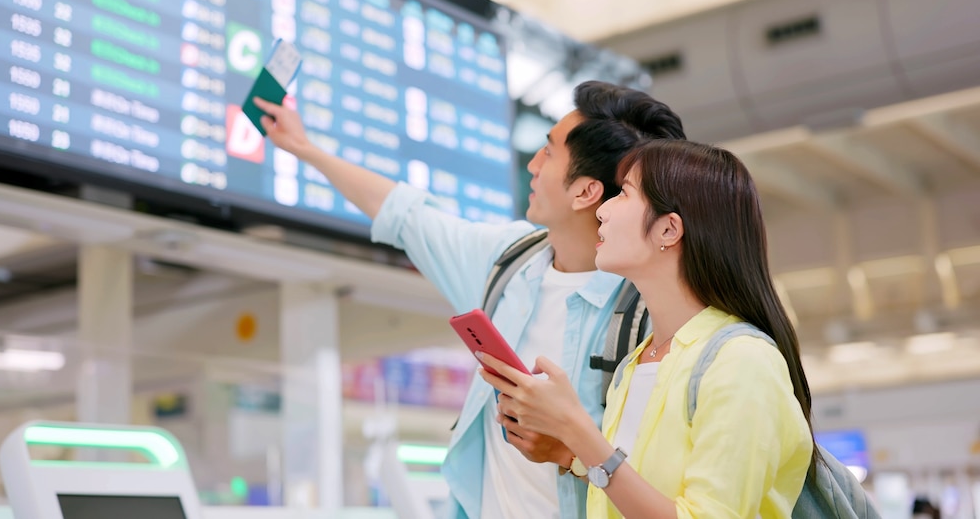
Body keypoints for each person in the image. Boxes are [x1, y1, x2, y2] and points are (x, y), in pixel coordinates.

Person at [253, 83, 686, 519]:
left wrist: (569, 448)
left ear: (586, 193)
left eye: (549, 153)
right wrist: (305, 149)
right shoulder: (510, 260)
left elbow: (659, 483)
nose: (533, 165)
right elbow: (409, 215)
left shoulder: (649, 315)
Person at [479, 139, 816, 518]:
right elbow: (643, 491)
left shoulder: (742, 362)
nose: (602, 210)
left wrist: (577, 430)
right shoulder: (638, 360)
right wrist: (567, 450)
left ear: (669, 230)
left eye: (623, 193)